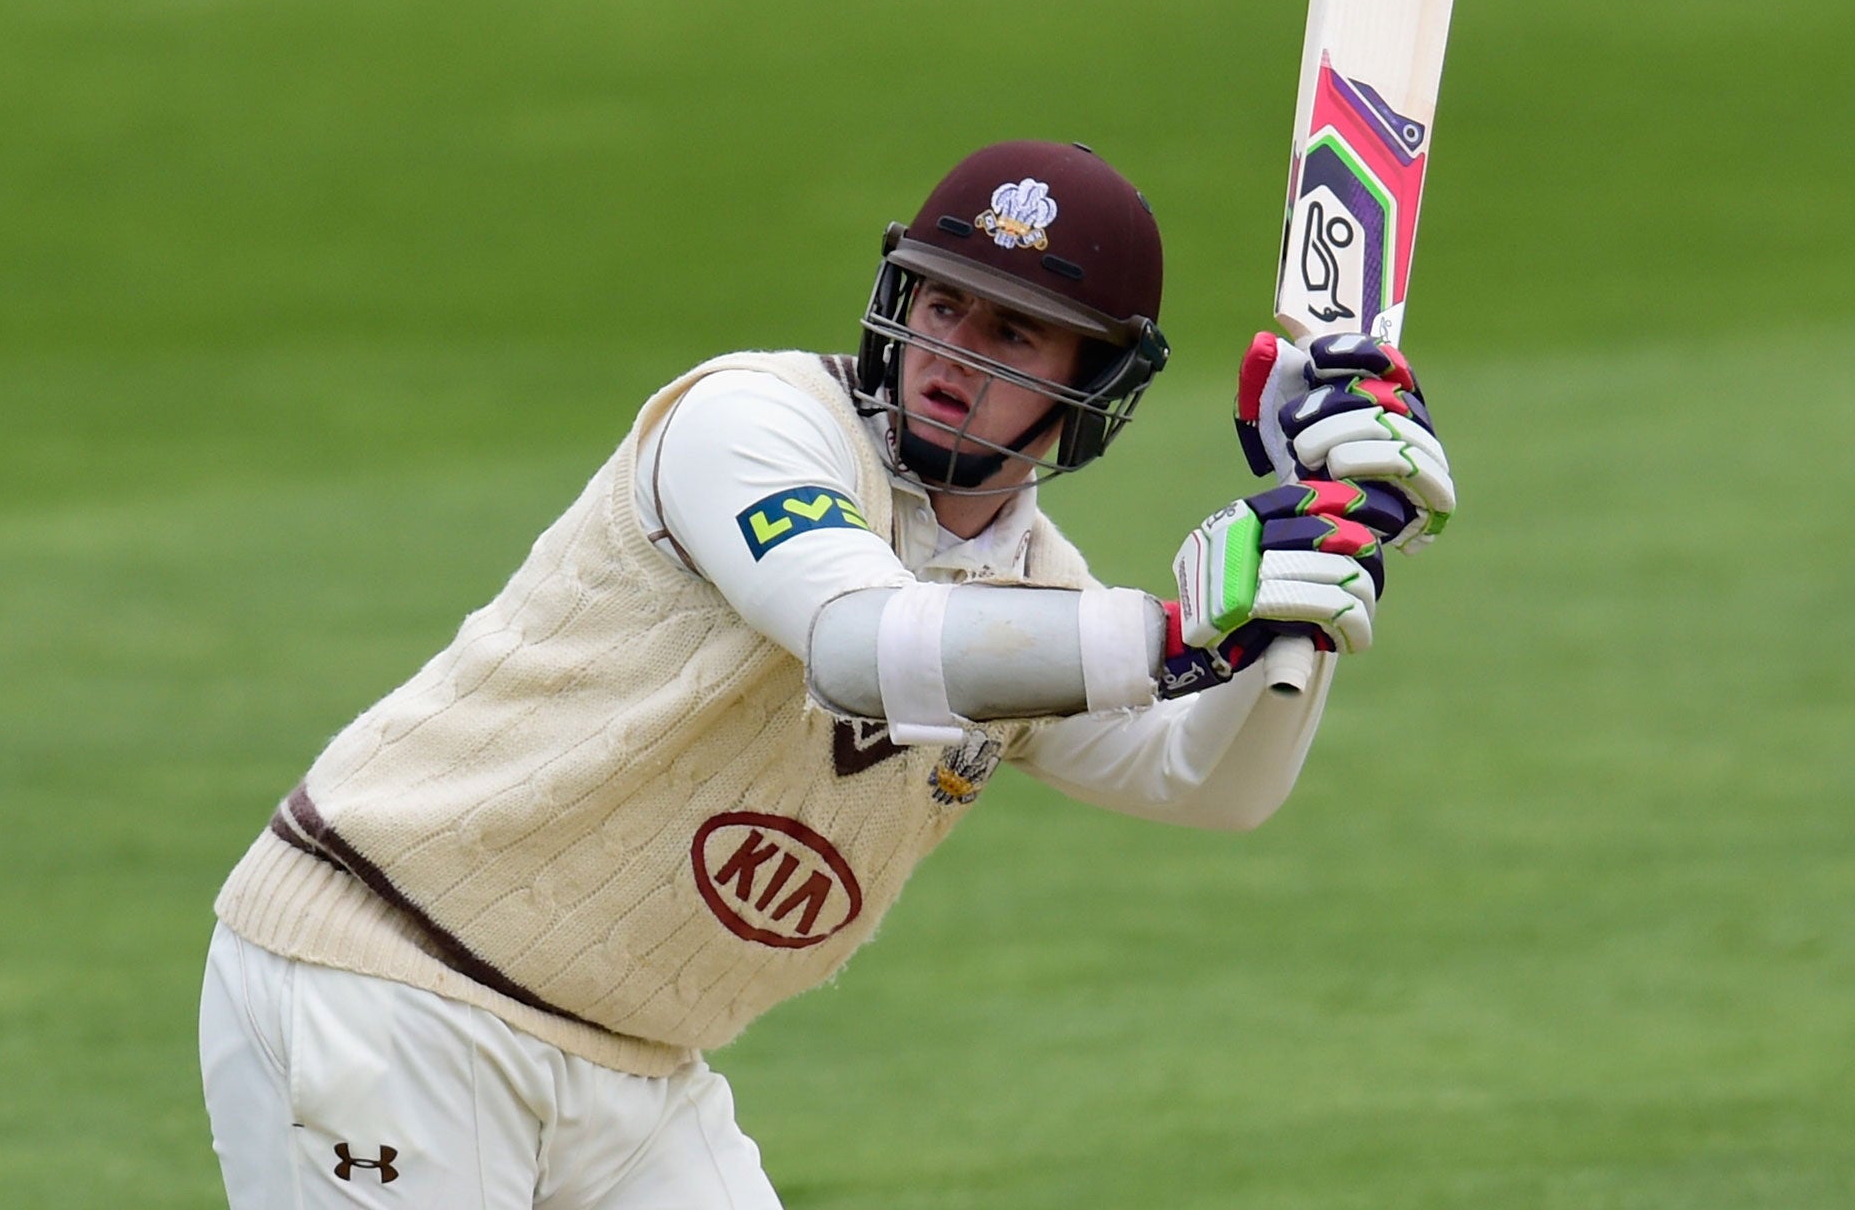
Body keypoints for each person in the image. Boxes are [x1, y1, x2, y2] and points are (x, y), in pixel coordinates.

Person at [198, 139, 1454, 1209]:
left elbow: (1209, 782)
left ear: (1094, 383)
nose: (951, 351)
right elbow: (860, 644)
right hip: (391, 980)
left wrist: (1326, 559)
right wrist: (1181, 634)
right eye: (940, 303)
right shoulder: (748, 423)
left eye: (1014, 331)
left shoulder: (1043, 597)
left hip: (632, 1065)